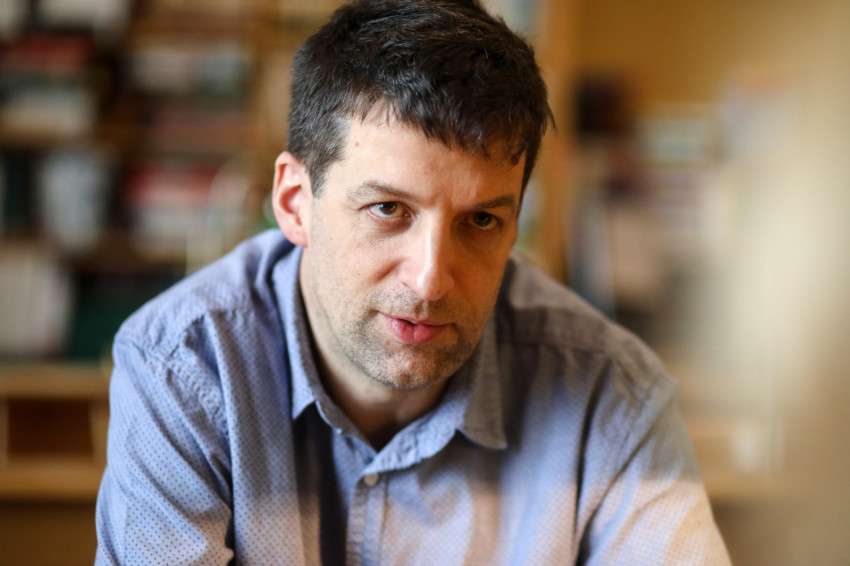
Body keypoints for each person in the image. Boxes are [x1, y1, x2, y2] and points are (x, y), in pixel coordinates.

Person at [95, 0, 731, 563]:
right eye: (387, 209)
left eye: (480, 220)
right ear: (294, 202)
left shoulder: (611, 395)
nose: (430, 281)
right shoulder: (182, 366)